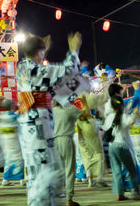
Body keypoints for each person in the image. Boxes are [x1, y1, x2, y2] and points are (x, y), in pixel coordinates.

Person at [16, 32, 90, 206]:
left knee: (37, 168)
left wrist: (43, 50)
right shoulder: (37, 70)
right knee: (43, 168)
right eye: (41, 52)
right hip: (38, 123)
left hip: (28, 123)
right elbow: (67, 70)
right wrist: (74, 50)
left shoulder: (22, 67)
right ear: (38, 53)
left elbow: (44, 74)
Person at [104, 83, 140, 201]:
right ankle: (136, 194)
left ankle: (120, 194)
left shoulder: (108, 114)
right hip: (123, 145)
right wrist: (137, 90)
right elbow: (136, 102)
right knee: (132, 169)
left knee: (116, 170)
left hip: (112, 146)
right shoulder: (122, 116)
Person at [53, 101, 83, 206]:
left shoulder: (53, 110)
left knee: (57, 171)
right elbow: (86, 114)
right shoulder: (70, 109)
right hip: (66, 139)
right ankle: (69, 199)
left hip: (54, 141)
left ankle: (55, 195)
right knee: (69, 170)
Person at [0, 102, 25, 187]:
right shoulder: (13, 116)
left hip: (4, 140)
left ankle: (5, 179)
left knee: (8, 158)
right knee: (19, 158)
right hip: (14, 139)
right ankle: (22, 180)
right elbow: (20, 122)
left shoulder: (1, 116)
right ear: (11, 106)